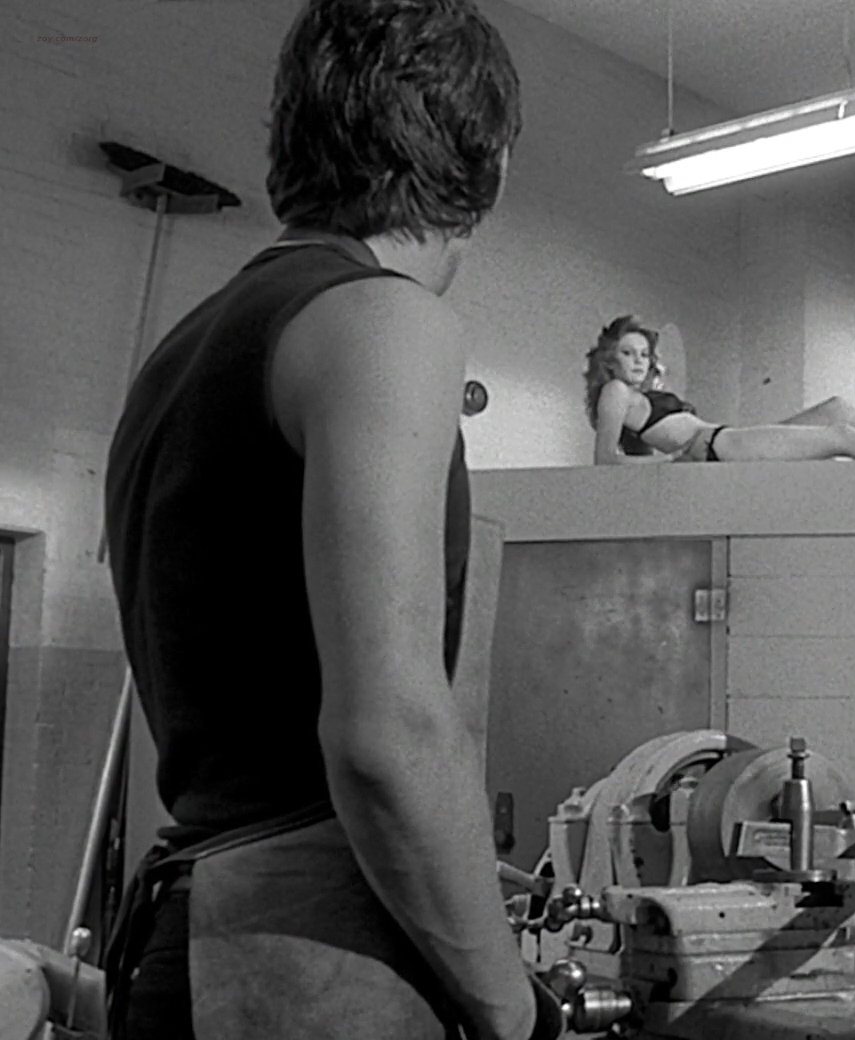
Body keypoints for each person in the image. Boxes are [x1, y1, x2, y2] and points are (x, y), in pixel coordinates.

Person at [101, 2, 561, 1038]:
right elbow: (387, 734)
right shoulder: (382, 319)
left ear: (291, 139)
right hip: (303, 965)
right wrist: (510, 1006)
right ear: (489, 163)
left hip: (195, 930)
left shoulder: (183, 352)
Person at [584, 315, 855, 464]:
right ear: (610, 359)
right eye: (628, 353)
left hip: (723, 440)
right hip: (715, 448)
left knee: (837, 408)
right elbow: (605, 460)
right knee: (840, 437)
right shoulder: (615, 392)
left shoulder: (641, 395)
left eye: (644, 354)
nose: (639, 361)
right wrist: (669, 463)